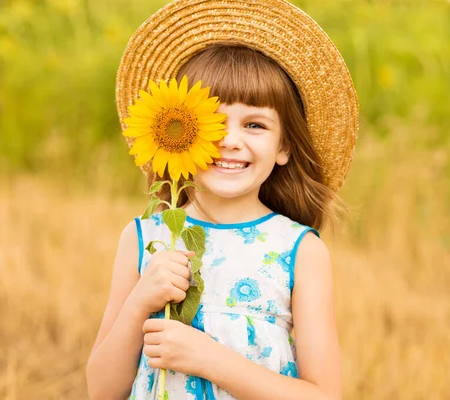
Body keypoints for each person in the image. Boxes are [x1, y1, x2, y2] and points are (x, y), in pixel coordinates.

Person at [86, 0, 358, 399]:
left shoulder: (298, 250)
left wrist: (208, 358)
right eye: (210, 121)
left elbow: (324, 395)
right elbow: (101, 390)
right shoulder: (146, 238)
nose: (230, 140)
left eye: (254, 124)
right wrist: (139, 302)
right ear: (176, 134)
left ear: (284, 146)